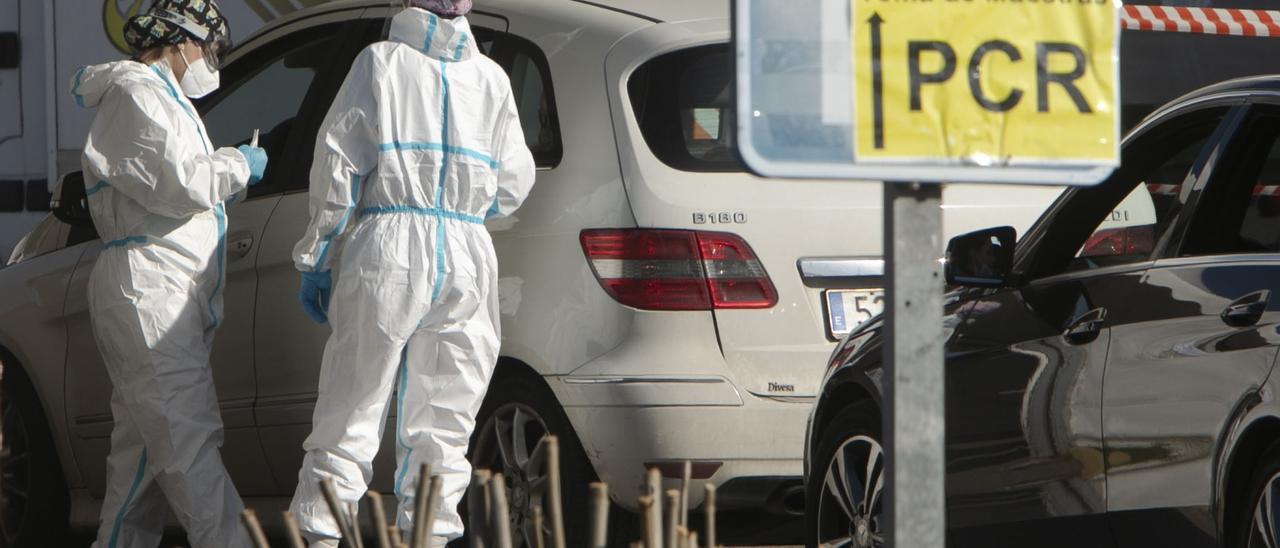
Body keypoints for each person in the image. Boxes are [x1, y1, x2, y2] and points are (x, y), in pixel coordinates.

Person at [289, 0, 536, 545]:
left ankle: (321, 539)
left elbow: (338, 164)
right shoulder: (492, 79)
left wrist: (318, 255)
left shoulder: (380, 63)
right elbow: (515, 181)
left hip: (389, 250)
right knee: (445, 425)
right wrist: (464, 209)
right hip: (467, 255)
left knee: (350, 413)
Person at [72, 1, 268, 546]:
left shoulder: (162, 98)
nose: (212, 59)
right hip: (148, 292)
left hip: (160, 290)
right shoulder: (136, 94)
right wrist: (236, 164)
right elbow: (178, 182)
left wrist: (228, 168)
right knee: (188, 448)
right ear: (181, 39)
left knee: (139, 470)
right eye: (210, 47)